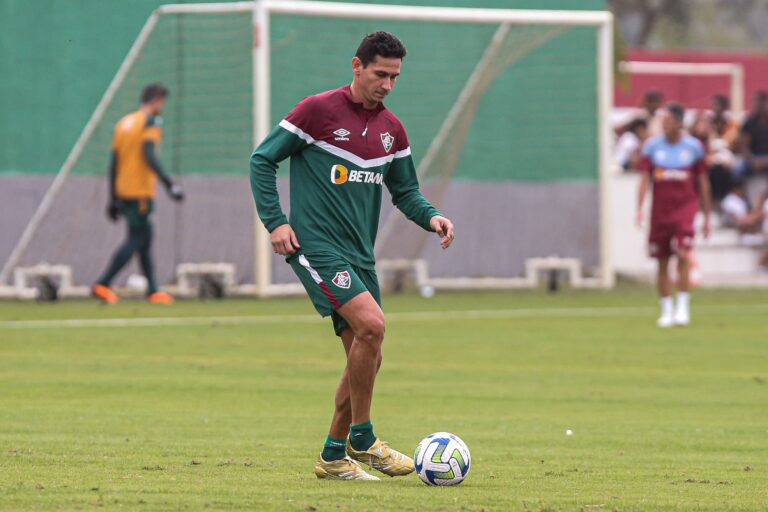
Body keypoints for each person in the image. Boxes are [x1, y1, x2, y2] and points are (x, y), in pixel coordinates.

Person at [250, 32, 454, 481]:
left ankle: (332, 455)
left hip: (360, 254)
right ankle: (363, 438)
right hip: (316, 245)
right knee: (373, 326)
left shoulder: (392, 130)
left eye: (395, 77)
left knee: (368, 354)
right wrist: (275, 221)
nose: (387, 84)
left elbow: (405, 191)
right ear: (357, 65)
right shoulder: (317, 111)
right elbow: (262, 160)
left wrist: (433, 217)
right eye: (380, 73)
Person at [92, 83, 184, 305]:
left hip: (123, 191)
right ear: (156, 100)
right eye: (162, 102)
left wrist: (112, 198)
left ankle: (153, 290)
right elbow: (149, 154)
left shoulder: (124, 123)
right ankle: (103, 283)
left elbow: (113, 164)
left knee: (145, 239)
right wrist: (169, 184)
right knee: (137, 238)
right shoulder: (150, 122)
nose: (162, 106)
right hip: (140, 193)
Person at [636, 103, 711, 328]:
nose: (664, 124)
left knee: (682, 253)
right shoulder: (652, 147)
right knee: (661, 261)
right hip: (660, 212)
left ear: (679, 123)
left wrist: (706, 216)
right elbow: (643, 180)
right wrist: (639, 208)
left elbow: (703, 182)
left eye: (668, 119)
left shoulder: (694, 148)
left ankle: (683, 306)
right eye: (663, 120)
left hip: (684, 209)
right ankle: (666, 309)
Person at [736, 90, 768, 177]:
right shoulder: (749, 123)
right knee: (737, 170)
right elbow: (743, 146)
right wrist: (753, 161)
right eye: (755, 101)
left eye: (759, 101)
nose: (756, 104)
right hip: (753, 158)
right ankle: (736, 191)